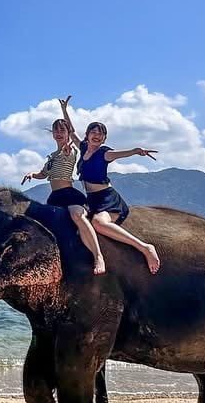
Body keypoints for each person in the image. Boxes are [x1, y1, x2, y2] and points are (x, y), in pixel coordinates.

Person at [59, 95, 162, 275]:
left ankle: (145, 247)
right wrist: (64, 110)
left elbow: (121, 154)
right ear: (88, 135)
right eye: (94, 132)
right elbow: (70, 130)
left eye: (101, 134)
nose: (97, 135)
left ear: (104, 138)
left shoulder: (105, 153)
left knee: (98, 224)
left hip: (107, 198)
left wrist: (137, 151)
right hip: (91, 199)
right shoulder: (83, 147)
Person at [22, 118, 109, 273]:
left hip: (69, 194)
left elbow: (69, 153)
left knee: (77, 215)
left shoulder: (70, 151)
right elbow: (43, 174)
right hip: (54, 197)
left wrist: (67, 150)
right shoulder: (52, 156)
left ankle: (98, 256)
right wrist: (32, 174)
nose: (59, 133)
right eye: (56, 130)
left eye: (62, 130)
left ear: (69, 133)